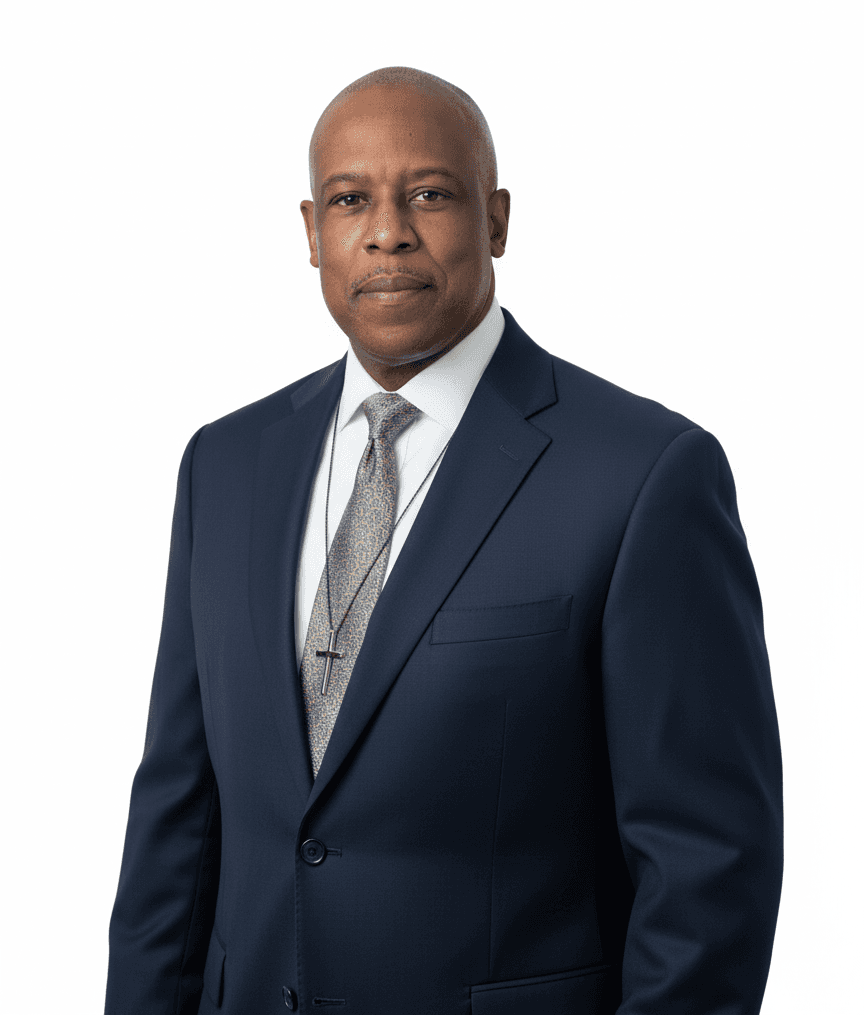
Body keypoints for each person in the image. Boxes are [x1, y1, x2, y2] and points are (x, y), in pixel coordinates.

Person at [104, 67, 783, 1015]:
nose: (388, 231)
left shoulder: (644, 476)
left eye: (429, 194)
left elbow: (708, 867)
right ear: (312, 233)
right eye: (351, 200)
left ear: (496, 220)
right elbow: (177, 822)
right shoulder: (225, 465)